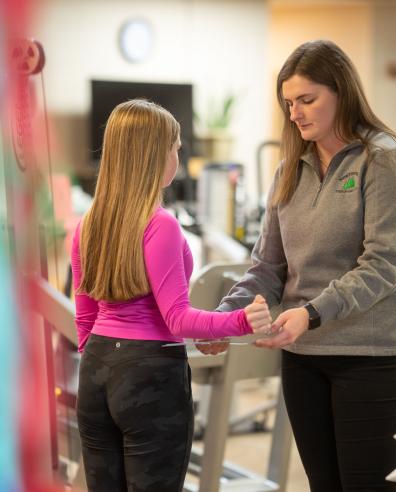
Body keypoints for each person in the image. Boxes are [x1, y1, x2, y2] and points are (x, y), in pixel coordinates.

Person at [210, 39, 396, 491]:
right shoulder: (289, 169)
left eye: (307, 100)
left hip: (373, 357)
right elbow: (268, 267)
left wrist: (310, 313)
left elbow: (384, 264)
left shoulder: (384, 160)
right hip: (305, 360)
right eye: (289, 103)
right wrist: (219, 322)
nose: (295, 113)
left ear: (341, 93)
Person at [70, 99, 272, 492]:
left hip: (95, 371)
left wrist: (101, 370)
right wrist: (243, 320)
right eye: (175, 148)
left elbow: (84, 318)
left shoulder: (87, 224)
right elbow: (177, 318)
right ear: (154, 155)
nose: (178, 156)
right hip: (150, 374)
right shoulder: (160, 225)